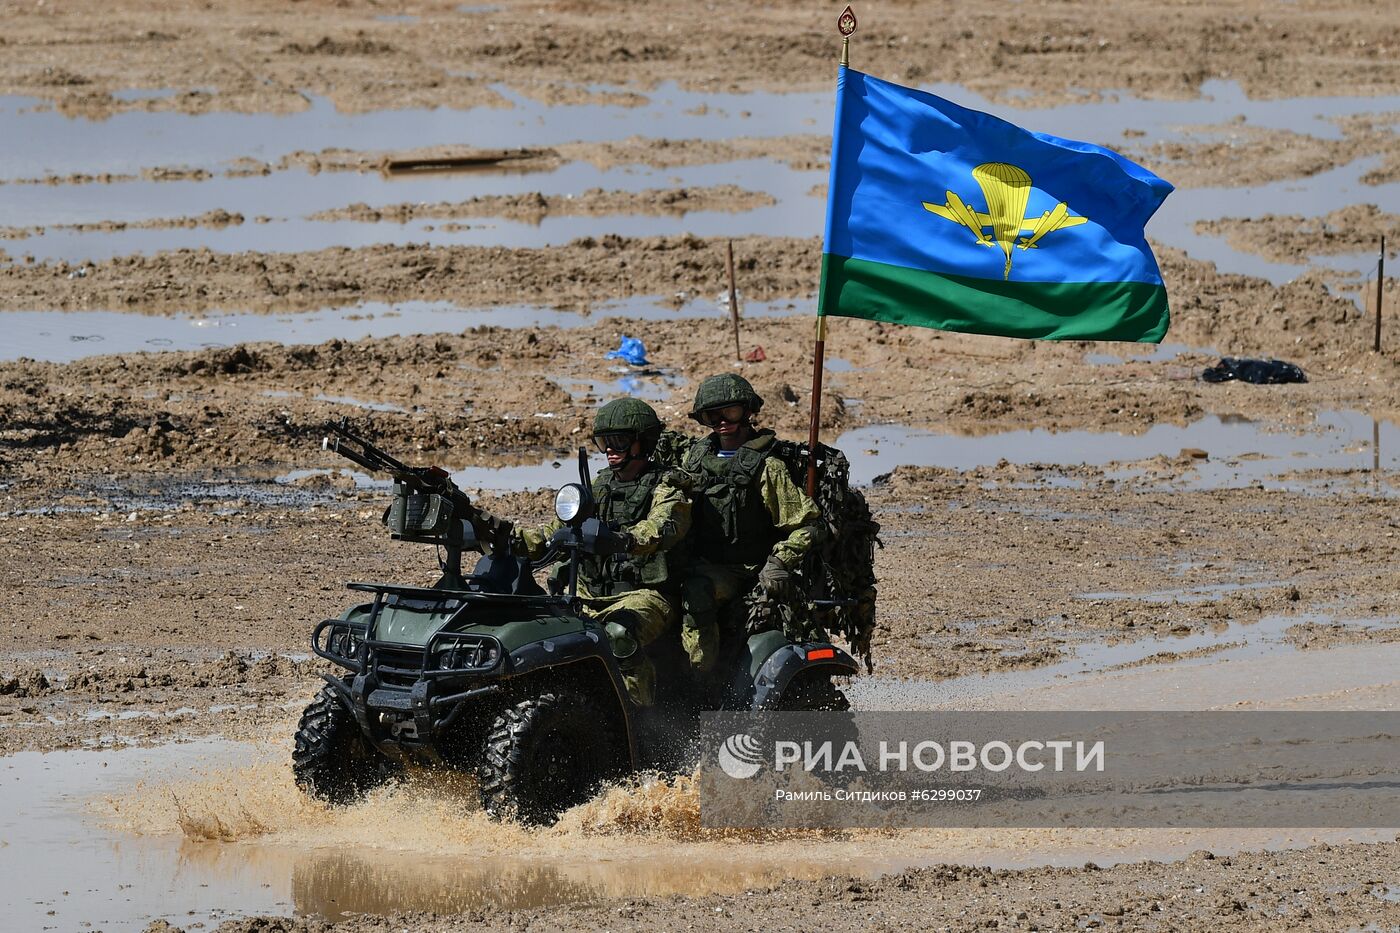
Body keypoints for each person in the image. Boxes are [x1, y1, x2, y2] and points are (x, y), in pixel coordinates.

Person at [513, 398, 690, 706]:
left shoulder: (667, 486)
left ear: (642, 443)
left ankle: (638, 716)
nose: (609, 449)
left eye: (618, 441)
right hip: (588, 590)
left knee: (619, 634)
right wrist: (502, 536)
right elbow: (552, 534)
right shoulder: (599, 485)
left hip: (647, 594)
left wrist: (622, 540)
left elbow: (659, 529)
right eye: (603, 442)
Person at [677, 374, 824, 674]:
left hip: (742, 571)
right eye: (712, 415)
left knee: (697, 590)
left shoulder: (766, 466)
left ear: (746, 411)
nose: (722, 421)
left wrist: (779, 561)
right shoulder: (694, 461)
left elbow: (808, 524)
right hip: (699, 560)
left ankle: (702, 678)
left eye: (729, 411)